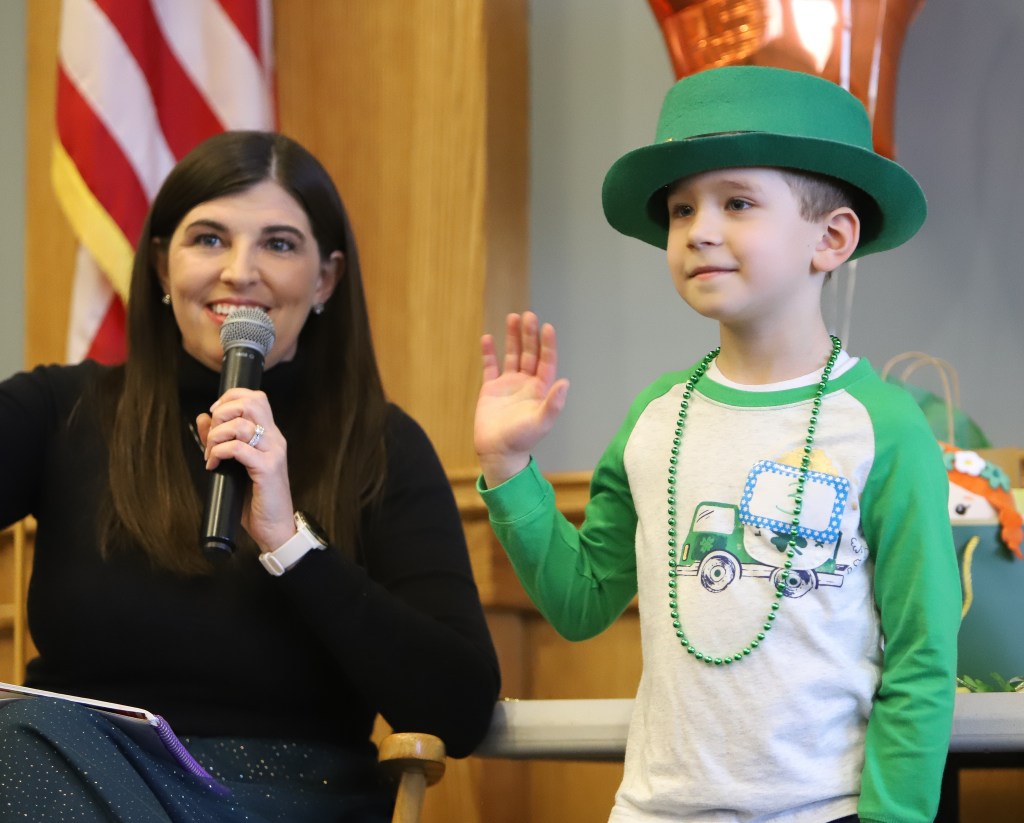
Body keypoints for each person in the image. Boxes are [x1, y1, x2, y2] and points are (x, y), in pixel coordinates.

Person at [474, 66, 961, 823]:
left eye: (737, 202)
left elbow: (922, 656)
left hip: (822, 809)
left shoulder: (884, 426)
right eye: (681, 209)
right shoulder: (654, 417)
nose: (698, 230)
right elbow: (580, 603)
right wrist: (509, 467)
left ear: (831, 238)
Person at [0, 130, 500, 821]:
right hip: (67, 769)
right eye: (209, 239)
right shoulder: (61, 409)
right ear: (160, 266)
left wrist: (291, 543)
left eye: (279, 244)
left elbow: (461, 707)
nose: (240, 272)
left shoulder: (380, 446)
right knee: (21, 741)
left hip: (287, 797)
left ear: (325, 279)